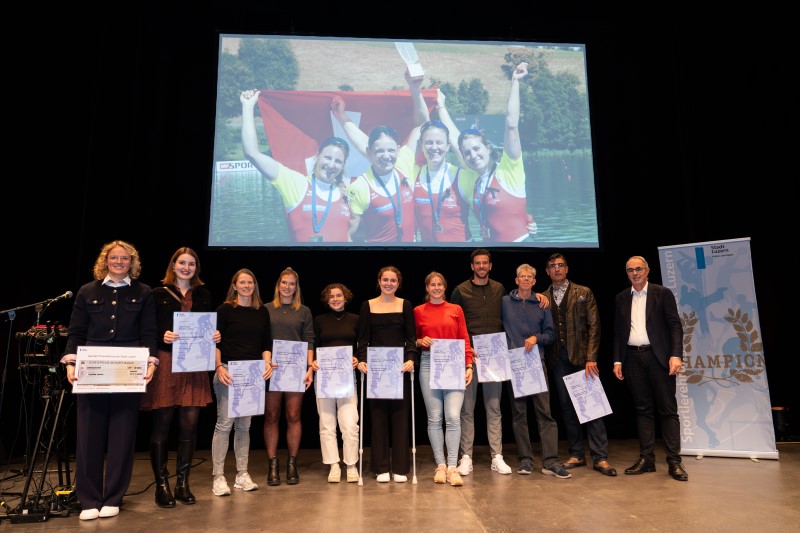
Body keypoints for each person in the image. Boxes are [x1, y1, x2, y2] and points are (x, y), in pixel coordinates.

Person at [60, 240, 158, 520]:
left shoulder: (144, 292)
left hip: (128, 369)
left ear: (132, 262)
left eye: (124, 258)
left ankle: (114, 497)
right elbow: (76, 332)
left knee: (122, 435)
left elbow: (149, 332)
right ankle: (89, 499)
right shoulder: (87, 291)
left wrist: (151, 362)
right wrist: (71, 362)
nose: (119, 262)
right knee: (88, 435)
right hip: (92, 368)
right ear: (105, 260)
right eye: (114, 258)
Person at [452, 249, 547, 477]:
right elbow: (455, 323)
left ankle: (497, 456)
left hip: (495, 356)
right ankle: (466, 457)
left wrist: (542, 295)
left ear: (490, 266)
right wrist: (464, 353)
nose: (482, 266)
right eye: (478, 263)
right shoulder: (460, 291)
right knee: (467, 409)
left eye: (485, 263)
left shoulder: (500, 290)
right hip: (470, 357)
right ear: (472, 266)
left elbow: (521, 300)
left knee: (494, 408)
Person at [141, 247, 222, 508]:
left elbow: (206, 327)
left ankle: (182, 482)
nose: (187, 267)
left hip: (194, 364)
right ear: (173, 265)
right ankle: (161, 484)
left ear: (196, 268)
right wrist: (160, 337)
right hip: (165, 362)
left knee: (189, 426)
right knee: (162, 424)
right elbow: (147, 330)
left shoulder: (204, 295)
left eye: (191, 264)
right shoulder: (156, 294)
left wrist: (215, 336)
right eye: (182, 263)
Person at [241, 89, 352, 242]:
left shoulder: (346, 192)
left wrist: (343, 116)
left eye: (338, 161)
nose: (331, 164)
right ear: (317, 157)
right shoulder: (295, 183)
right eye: (327, 157)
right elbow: (252, 153)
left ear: (343, 165)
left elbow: (347, 236)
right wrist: (248, 107)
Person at [613, 256, 687, 481]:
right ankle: (647, 459)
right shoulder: (621, 298)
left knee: (667, 410)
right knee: (642, 409)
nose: (635, 273)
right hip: (632, 358)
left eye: (638, 269)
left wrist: (675, 355)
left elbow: (675, 325)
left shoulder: (662, 293)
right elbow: (617, 332)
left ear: (647, 271)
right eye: (630, 270)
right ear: (627, 274)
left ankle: (674, 462)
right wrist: (617, 360)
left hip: (659, 359)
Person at [541, 253, 616, 476]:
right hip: (558, 359)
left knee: (592, 406)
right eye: (553, 266)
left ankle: (600, 457)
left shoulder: (583, 292)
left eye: (561, 265)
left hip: (583, 358)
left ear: (567, 269)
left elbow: (595, 326)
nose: (557, 269)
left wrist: (591, 356)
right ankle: (576, 453)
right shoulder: (542, 297)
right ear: (547, 271)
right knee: (566, 406)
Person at [331, 72, 425, 242]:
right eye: (380, 151)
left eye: (391, 150)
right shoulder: (360, 187)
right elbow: (348, 233)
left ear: (397, 149)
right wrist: (341, 116)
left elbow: (422, 125)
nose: (386, 156)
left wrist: (415, 88)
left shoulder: (403, 161)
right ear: (370, 153)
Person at [453, 62, 537, 242]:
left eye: (477, 149)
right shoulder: (470, 180)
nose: (473, 156)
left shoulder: (509, 170)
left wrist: (515, 82)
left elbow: (511, 124)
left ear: (489, 147)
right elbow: (454, 139)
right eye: (467, 153)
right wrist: (442, 108)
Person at [501, 263, 570, 479]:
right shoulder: (505, 302)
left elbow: (551, 335)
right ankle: (525, 459)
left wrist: (536, 338)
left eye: (529, 277)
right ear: (516, 280)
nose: (525, 279)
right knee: (519, 414)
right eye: (522, 276)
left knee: (545, 414)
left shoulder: (542, 305)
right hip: (515, 365)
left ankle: (550, 461)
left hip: (536, 364)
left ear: (534, 281)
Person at [211, 268, 273, 496]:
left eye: (251, 282)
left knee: (244, 426)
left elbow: (266, 343)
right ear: (234, 285)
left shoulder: (261, 311)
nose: (247, 286)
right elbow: (215, 343)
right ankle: (218, 477)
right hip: (228, 371)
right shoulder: (224, 310)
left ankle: (241, 474)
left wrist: (267, 364)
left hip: (252, 374)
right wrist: (218, 368)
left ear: (254, 286)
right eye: (243, 282)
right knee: (224, 424)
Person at [356, 266, 418, 482]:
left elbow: (411, 337)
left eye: (393, 280)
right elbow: (362, 339)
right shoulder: (368, 305)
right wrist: (362, 360)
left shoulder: (405, 305)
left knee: (401, 417)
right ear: (379, 281)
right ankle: (381, 467)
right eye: (385, 279)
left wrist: (411, 358)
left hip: (400, 368)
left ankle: (400, 468)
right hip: (377, 369)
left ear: (398, 283)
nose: (389, 283)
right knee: (378, 416)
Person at [414, 272, 474, 486]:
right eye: (433, 284)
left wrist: (468, 364)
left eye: (440, 284)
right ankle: (440, 465)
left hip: (453, 363)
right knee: (434, 417)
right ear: (427, 288)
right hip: (429, 364)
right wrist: (421, 341)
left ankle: (452, 467)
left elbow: (464, 337)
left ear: (445, 287)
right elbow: (411, 339)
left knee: (453, 416)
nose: (437, 287)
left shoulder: (455, 309)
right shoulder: (418, 311)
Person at [264, 267, 314, 485]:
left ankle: (292, 464)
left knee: (293, 416)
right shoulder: (265, 309)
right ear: (278, 285)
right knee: (271, 416)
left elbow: (309, 340)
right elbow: (262, 339)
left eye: (292, 283)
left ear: (296, 287)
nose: (287, 287)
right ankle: (272, 464)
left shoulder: (304, 311)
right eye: (284, 282)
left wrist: (309, 368)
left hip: (295, 372)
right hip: (272, 370)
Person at [311, 283, 360, 483]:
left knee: (350, 423)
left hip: (347, 377)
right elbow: (313, 345)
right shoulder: (319, 320)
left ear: (345, 297)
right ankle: (333, 464)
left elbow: (362, 344)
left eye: (339, 295)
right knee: (326, 423)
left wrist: (357, 358)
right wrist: (312, 361)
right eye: (331, 296)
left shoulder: (356, 319)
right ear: (326, 299)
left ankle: (351, 464)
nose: (335, 299)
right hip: (324, 377)